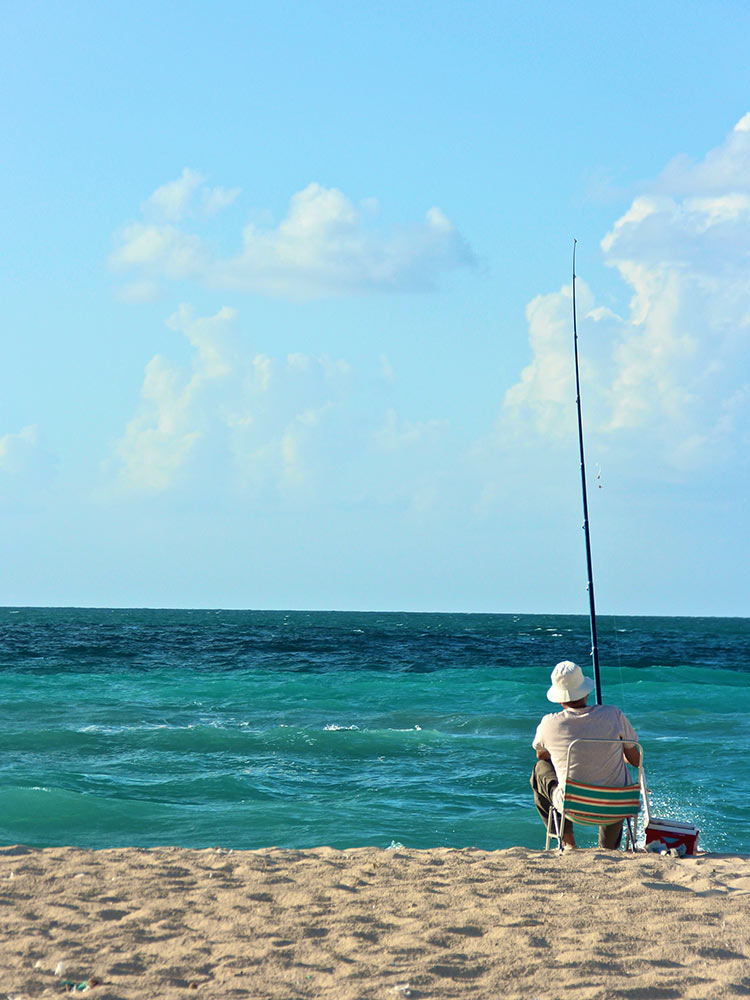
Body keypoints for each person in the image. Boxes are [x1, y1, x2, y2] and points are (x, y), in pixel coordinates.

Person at [530, 660, 640, 849]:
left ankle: (567, 840)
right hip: (618, 806)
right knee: (614, 781)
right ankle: (608, 847)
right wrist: (612, 751)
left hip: (573, 807)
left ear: (559, 698)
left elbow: (541, 756)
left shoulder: (549, 723)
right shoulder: (613, 714)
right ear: (586, 692)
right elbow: (636, 761)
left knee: (540, 770)